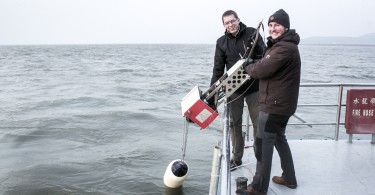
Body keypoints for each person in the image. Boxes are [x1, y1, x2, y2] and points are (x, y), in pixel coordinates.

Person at [243, 9, 300, 194]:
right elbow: (266, 62)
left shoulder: (284, 48)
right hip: (283, 107)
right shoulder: (282, 45)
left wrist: (247, 66)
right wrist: (257, 62)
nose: (273, 28)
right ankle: (289, 178)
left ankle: (258, 188)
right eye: (270, 25)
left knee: (262, 147)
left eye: (277, 25)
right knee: (279, 139)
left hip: (273, 107)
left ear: (286, 27)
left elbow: (262, 69)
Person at [210, 10, 266, 170]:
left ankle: (260, 158)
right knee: (234, 124)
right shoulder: (221, 42)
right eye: (227, 22)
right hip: (233, 89)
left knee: (258, 123)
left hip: (254, 86)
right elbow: (218, 69)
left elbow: (265, 56)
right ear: (224, 25)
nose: (230, 24)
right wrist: (213, 93)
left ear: (238, 20)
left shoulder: (251, 33)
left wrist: (250, 62)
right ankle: (236, 158)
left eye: (232, 21)